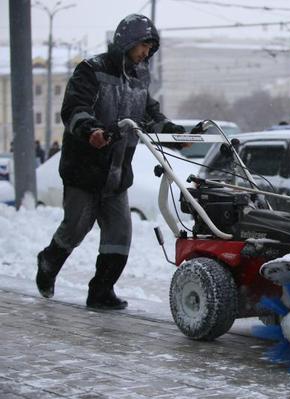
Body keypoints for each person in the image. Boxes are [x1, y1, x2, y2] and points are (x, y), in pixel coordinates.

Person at [36, 14, 185, 310]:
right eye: (143, 46)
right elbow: (74, 108)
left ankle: (101, 291)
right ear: (126, 41)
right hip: (85, 168)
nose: (146, 53)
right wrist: (91, 130)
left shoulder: (141, 76)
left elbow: (148, 113)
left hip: (117, 171)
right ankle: (48, 261)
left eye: (150, 48)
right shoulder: (92, 69)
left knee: (119, 232)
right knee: (76, 228)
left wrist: (173, 132)